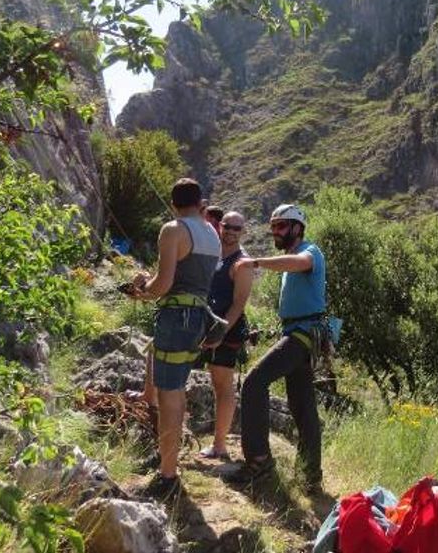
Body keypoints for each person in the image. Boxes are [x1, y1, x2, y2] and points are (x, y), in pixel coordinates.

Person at [128, 177, 222, 500]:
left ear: (173, 204)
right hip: (198, 321)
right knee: (176, 391)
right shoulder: (213, 233)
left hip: (175, 318)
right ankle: (168, 458)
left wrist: (142, 289)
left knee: (168, 397)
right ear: (200, 203)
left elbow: (164, 284)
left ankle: (167, 476)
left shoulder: (172, 230)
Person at [224, 203, 326, 490]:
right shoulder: (287, 261)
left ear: (297, 227)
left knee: (254, 383)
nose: (276, 232)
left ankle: (259, 460)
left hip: (302, 336)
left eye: (281, 226)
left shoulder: (310, 252)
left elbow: (300, 262)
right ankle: (310, 476)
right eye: (273, 227)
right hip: (299, 334)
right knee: (302, 407)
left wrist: (255, 262)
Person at [196, 209, 254, 460]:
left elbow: (239, 303)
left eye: (236, 228)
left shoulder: (242, 263)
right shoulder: (211, 252)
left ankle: (219, 445)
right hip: (199, 323)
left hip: (226, 330)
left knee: (222, 385)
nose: (230, 231)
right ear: (219, 226)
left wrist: (220, 332)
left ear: (243, 232)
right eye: (227, 226)